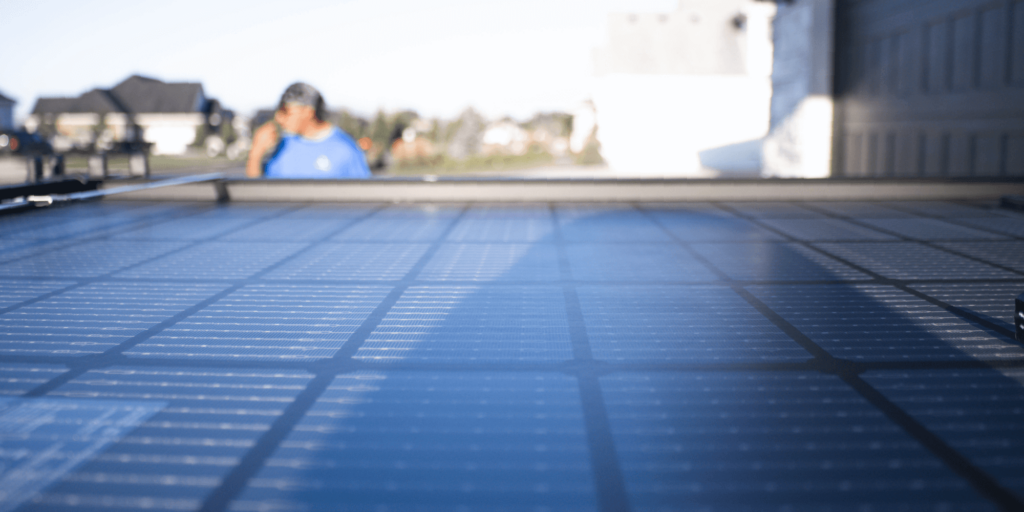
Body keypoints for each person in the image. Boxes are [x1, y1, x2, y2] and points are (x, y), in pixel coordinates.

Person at [246, 83, 370, 179]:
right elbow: (257, 193)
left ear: (308, 111)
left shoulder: (345, 149)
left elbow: (364, 195)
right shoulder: (281, 145)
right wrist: (256, 153)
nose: (279, 117)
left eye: (285, 110)